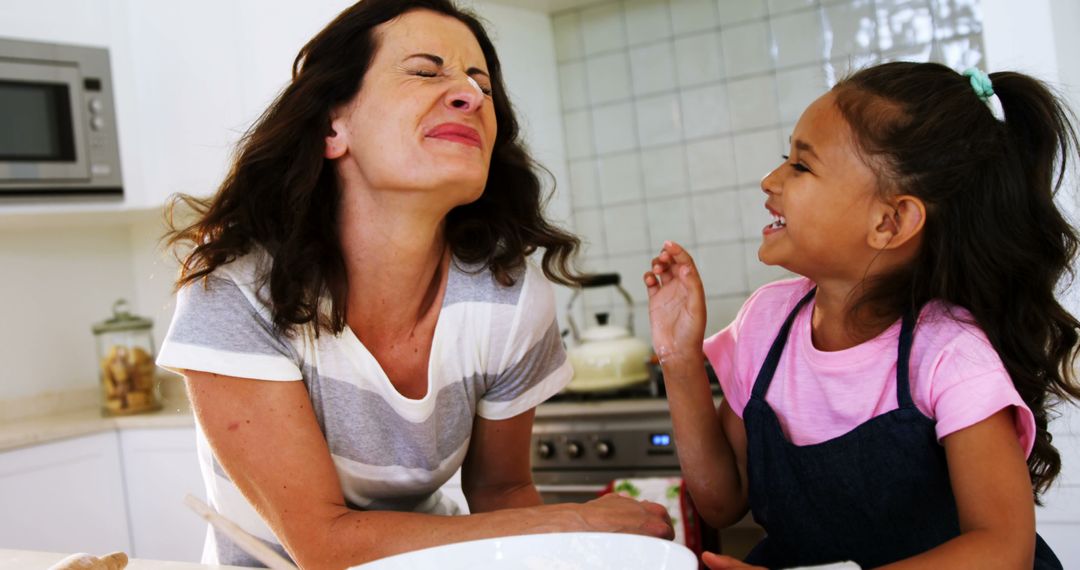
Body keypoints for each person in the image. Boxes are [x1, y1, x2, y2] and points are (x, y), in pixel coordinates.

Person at [158, 0, 673, 567]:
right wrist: (573, 519)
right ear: (334, 125)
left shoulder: (508, 298)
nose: (472, 96)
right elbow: (325, 546)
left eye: (482, 84)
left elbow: (501, 495)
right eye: (426, 72)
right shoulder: (235, 294)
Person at [644, 61, 1080, 569]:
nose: (769, 180)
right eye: (785, 157)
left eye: (801, 166)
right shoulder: (765, 324)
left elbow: (1003, 550)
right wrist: (678, 361)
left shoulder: (950, 355)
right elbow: (722, 500)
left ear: (890, 222)